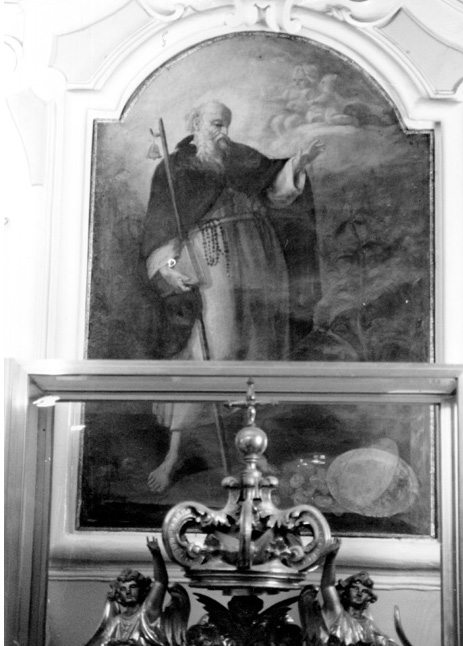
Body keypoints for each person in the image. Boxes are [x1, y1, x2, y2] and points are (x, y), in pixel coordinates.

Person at [142, 100, 325, 492]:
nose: (223, 132)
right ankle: (173, 455)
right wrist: (168, 268)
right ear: (195, 122)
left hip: (259, 257)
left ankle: (254, 452)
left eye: (226, 124)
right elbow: (162, 227)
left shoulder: (242, 158)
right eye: (215, 124)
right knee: (210, 350)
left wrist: (297, 164)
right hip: (210, 261)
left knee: (258, 349)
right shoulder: (175, 169)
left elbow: (276, 191)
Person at [85, 538, 188, 646]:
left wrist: (156, 554)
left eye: (133, 587)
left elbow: (160, 582)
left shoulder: (148, 612)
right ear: (119, 595)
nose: (128, 592)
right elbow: (104, 643)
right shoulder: (116, 621)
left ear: (142, 590)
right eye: (123, 589)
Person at [300, 540, 399, 646]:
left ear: (369, 598)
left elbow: (384, 641)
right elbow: (328, 586)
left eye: (365, 591)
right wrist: (331, 557)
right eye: (355, 588)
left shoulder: (368, 624)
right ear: (345, 592)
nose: (359, 593)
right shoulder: (338, 615)